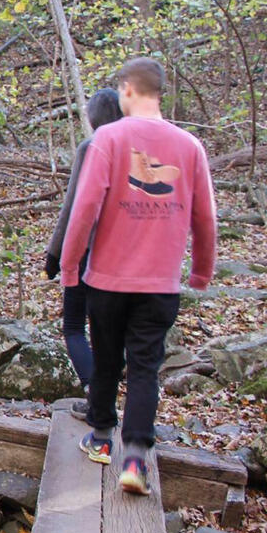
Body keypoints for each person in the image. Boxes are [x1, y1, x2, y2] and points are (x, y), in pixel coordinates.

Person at [61, 57, 215, 495]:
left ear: (127, 89)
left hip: (107, 280)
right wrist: (201, 271)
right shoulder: (190, 146)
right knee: (145, 367)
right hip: (160, 284)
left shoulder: (108, 139)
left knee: (107, 359)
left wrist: (70, 266)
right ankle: (134, 459)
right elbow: (205, 217)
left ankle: (100, 438)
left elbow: (84, 209)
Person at [43, 89, 124, 396]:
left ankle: (95, 390)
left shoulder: (91, 147)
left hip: (87, 249)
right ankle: (111, 384)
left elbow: (74, 205)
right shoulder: (134, 150)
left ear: (92, 118)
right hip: (123, 253)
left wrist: (55, 253)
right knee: (110, 327)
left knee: (74, 326)